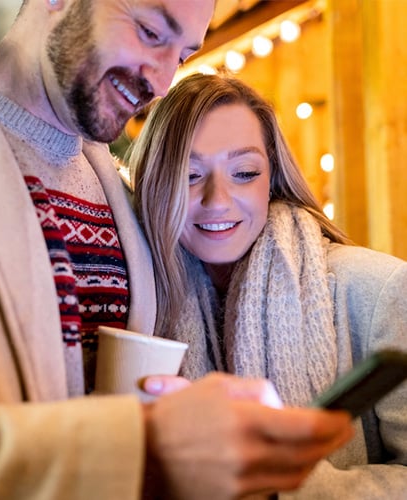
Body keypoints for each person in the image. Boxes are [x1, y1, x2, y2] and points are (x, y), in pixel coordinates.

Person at [0, 1, 354, 498]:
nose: (163, 83)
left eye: (182, 55)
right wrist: (139, 451)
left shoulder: (127, 199)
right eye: (149, 31)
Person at [130, 72, 407, 498]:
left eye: (243, 172)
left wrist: (273, 482)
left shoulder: (379, 288)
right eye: (189, 176)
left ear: (271, 178)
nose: (217, 199)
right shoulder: (142, 303)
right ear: (154, 184)